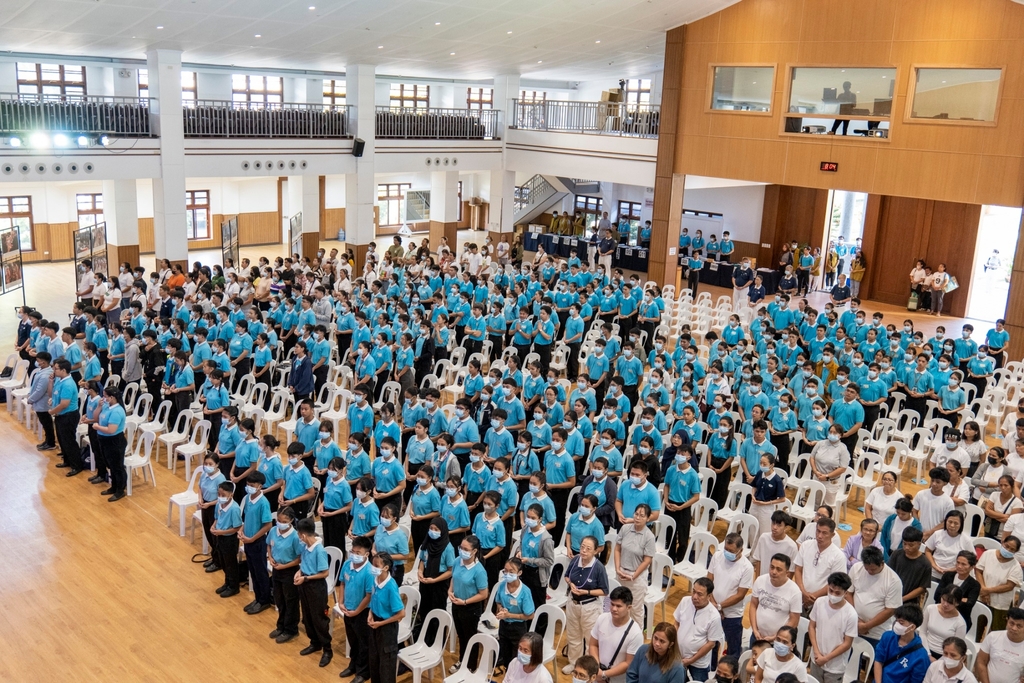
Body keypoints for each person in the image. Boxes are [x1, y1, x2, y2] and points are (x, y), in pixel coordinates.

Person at [563, 536, 609, 673]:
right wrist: (570, 583)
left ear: (595, 551)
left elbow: (604, 591)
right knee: (573, 635)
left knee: (590, 639)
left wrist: (587, 591)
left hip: (590, 607)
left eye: (588, 549)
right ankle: (574, 663)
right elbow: (566, 576)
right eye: (582, 546)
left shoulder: (598, 567)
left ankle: (589, 668)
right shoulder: (576, 559)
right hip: (572, 603)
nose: (583, 551)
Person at [707, 532, 754, 657]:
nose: (727, 553)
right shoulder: (717, 556)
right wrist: (713, 604)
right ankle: (711, 669)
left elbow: (740, 595)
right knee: (711, 644)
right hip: (712, 608)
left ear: (741, 550)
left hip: (733, 614)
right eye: (726, 549)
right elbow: (709, 581)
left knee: (733, 648)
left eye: (731, 551)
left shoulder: (747, 568)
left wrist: (720, 606)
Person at [294, 517, 333, 668]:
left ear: (303, 535)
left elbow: (324, 573)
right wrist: (299, 572)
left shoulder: (319, 550)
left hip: (316, 587)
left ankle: (327, 649)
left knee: (319, 619)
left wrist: (306, 578)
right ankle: (314, 643)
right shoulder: (305, 547)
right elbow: (303, 563)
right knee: (308, 616)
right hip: (305, 583)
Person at [847, 546, 902, 647]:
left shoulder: (893, 580)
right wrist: (857, 620)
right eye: (866, 568)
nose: (869, 572)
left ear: (882, 563)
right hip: (854, 623)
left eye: (873, 569)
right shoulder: (857, 568)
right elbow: (848, 593)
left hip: (877, 632)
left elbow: (890, 610)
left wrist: (867, 626)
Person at [448, 535, 489, 671]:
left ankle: (471, 666)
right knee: (461, 635)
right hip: (456, 604)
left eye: (466, 549)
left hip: (470, 608)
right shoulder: (457, 561)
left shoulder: (479, 571)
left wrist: (465, 602)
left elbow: (483, 594)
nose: (462, 551)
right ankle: (462, 660)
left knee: (470, 637)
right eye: (461, 547)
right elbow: (454, 577)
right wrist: (450, 590)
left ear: (474, 551)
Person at [808, 572, 857, 683]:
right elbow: (811, 627)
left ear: (845, 593)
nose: (833, 595)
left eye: (837, 593)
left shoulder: (851, 614)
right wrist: (816, 652)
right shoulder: (819, 602)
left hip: (835, 666)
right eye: (830, 590)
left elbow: (847, 643)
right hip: (816, 659)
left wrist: (826, 658)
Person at [591, 586, 645, 683]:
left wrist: (604, 675)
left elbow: (628, 663)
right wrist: (597, 669)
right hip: (598, 675)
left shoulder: (635, 633)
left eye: (618, 606)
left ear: (629, 607)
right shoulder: (602, 618)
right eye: (612, 604)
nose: (614, 609)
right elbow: (593, 644)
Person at [673, 578, 723, 681]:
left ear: (709, 596)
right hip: (678, 656)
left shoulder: (714, 616)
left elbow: (711, 644)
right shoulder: (685, 601)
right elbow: (676, 623)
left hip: (699, 663)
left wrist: (691, 660)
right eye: (694, 592)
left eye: (699, 594)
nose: (695, 597)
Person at [366, 552, 405, 683]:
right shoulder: (375, 580)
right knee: (374, 660)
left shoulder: (391, 587)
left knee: (386, 665)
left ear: (386, 568)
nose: (373, 567)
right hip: (374, 624)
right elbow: (373, 599)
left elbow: (401, 614)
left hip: (387, 628)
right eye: (373, 564)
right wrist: (370, 614)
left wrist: (380, 624)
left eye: (376, 565)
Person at [614, 504, 656, 625]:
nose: (638, 517)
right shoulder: (625, 529)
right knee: (619, 606)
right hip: (621, 572)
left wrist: (633, 576)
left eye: (642, 515)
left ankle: (637, 639)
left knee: (636, 610)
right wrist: (617, 568)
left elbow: (647, 561)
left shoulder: (649, 537)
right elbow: (617, 549)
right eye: (636, 514)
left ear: (648, 518)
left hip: (636, 578)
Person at [268, 506, 304, 644]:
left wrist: (284, 566)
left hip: (289, 571)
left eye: (283, 521)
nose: (280, 523)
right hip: (277, 569)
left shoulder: (295, 537)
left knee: (291, 601)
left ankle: (290, 629)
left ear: (291, 521)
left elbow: (299, 558)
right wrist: (270, 557)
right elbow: (269, 545)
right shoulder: (273, 530)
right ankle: (280, 625)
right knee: (279, 599)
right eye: (278, 520)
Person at [793, 517, 846, 613]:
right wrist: (803, 592)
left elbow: (835, 583)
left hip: (822, 602)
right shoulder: (805, 545)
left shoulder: (838, 556)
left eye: (824, 533)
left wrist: (813, 597)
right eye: (818, 531)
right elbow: (798, 569)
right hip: (800, 595)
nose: (819, 536)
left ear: (832, 535)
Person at [492, 557, 536, 671]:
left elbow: (530, 615)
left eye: (511, 572)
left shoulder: (525, 592)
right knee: (506, 658)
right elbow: (498, 601)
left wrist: (510, 615)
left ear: (519, 573)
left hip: (518, 628)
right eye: (505, 571)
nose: (507, 574)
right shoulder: (502, 585)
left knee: (516, 660)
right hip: (504, 626)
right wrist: (501, 609)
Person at [239, 471, 273, 615]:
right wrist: (241, 530)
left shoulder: (263, 503)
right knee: (252, 571)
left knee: (260, 572)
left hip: (258, 542)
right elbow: (246, 517)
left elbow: (268, 525)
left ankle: (264, 600)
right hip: (247, 540)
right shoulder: (247, 498)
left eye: (252, 485)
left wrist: (253, 538)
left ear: (260, 486)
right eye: (247, 485)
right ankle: (258, 598)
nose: (249, 487)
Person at [749, 554, 802, 645]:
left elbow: (794, 621)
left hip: (779, 641)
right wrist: (754, 630)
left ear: (787, 572)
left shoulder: (795, 591)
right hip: (757, 637)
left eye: (779, 569)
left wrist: (776, 636)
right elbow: (753, 605)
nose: (773, 572)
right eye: (772, 567)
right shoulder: (760, 580)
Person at [872, 605, 931, 683]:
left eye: (901, 622)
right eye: (896, 620)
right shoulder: (887, 636)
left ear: (912, 627)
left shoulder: (921, 656)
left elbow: (915, 680)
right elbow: (878, 661)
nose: (896, 624)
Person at [975, 535, 1024, 630]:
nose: (1008, 550)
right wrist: (983, 590)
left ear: (1015, 552)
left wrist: (987, 591)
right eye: (1007, 546)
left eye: (1012, 549)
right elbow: (978, 571)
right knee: (978, 626)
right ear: (1002, 543)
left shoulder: (1015, 566)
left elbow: (1009, 586)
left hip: (1000, 604)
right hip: (982, 597)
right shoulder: (988, 554)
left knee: (996, 629)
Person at [934, 551, 981, 632]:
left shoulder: (975, 585)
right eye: (958, 563)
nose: (959, 566)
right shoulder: (948, 576)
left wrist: (946, 598)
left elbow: (968, 605)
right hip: (940, 613)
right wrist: (960, 599)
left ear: (972, 567)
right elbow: (937, 596)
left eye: (963, 564)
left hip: (960, 618)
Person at [975, 607, 1024, 683]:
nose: (1014, 628)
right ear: (1007, 621)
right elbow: (981, 662)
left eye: (1019, 626)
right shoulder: (993, 637)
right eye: (1012, 623)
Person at [211, 481, 243, 598]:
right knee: (223, 561)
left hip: (230, 539)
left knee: (231, 563)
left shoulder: (234, 509)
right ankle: (227, 582)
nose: (220, 497)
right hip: (220, 537)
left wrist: (222, 532)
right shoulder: (219, 504)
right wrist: (213, 525)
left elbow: (236, 527)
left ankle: (234, 587)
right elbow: (217, 517)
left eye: (223, 495)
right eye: (219, 494)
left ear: (231, 495)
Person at [887, 527, 933, 606]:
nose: (907, 547)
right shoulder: (896, 554)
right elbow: (887, 573)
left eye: (911, 545)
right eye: (904, 544)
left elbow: (922, 588)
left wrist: (902, 599)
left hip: (909, 603)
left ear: (919, 544)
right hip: (890, 596)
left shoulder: (925, 564)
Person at [921, 587, 967, 659]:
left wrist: (938, 661)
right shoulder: (930, 609)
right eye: (943, 599)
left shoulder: (960, 623)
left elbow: (956, 647)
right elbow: (922, 632)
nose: (945, 604)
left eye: (950, 602)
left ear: (957, 603)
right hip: (925, 648)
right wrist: (928, 654)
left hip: (944, 655)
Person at [751, 512, 799, 577]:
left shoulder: (792, 546)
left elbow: (790, 571)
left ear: (786, 527)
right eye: (773, 523)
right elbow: (758, 561)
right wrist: (757, 580)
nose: (774, 527)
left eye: (779, 525)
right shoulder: (763, 538)